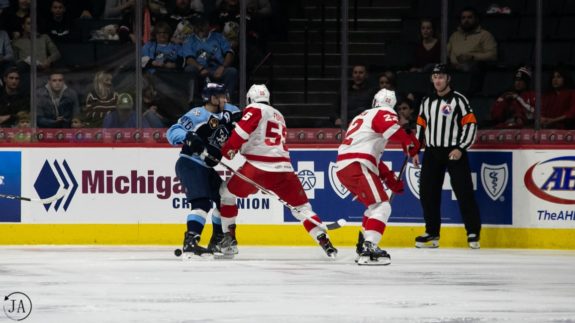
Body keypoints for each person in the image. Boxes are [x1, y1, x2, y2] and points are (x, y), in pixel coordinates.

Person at [217, 84, 338, 258]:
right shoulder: (279, 115)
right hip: (284, 170)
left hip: (257, 168)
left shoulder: (254, 109)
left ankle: (229, 241)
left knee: (226, 193)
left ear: (250, 99)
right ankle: (324, 240)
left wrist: (228, 150)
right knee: (302, 208)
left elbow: (241, 134)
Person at [336, 89, 420, 265]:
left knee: (373, 208)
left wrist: (389, 178)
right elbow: (393, 130)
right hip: (357, 164)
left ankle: (363, 245)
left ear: (374, 100)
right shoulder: (384, 112)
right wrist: (408, 139)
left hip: (347, 166)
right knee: (382, 206)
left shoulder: (363, 116)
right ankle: (369, 246)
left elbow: (370, 154)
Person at [166, 83, 241, 258]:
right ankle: (191, 242)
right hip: (190, 163)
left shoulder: (228, 111)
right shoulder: (198, 114)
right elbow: (172, 132)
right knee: (202, 203)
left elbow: (245, 117)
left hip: (206, 167)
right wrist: (189, 137)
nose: (225, 99)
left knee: (224, 199)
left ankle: (217, 240)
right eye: (222, 96)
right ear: (212, 98)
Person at [413, 64, 481, 249]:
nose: (438, 80)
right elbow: (420, 126)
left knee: (463, 192)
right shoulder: (427, 101)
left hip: (454, 152)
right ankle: (432, 233)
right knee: (428, 193)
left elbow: (471, 125)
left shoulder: (459, 100)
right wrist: (416, 150)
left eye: (441, 77)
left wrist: (461, 147)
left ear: (448, 79)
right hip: (432, 152)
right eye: (435, 77)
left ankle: (473, 232)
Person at [182, 16, 238, 103]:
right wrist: (201, 68)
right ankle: (193, 101)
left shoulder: (219, 37)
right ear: (194, 27)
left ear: (208, 26)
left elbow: (230, 53)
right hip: (199, 70)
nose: (200, 28)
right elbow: (189, 59)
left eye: (203, 25)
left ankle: (226, 101)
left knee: (232, 71)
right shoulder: (189, 40)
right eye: (198, 25)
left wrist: (223, 67)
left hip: (217, 69)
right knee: (189, 69)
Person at [447, 7, 497, 72]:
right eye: (463, 18)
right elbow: (447, 53)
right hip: (453, 70)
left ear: (476, 19)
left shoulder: (485, 35)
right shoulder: (454, 35)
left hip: (473, 71)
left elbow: (493, 55)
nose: (466, 20)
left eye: (469, 17)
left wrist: (472, 57)